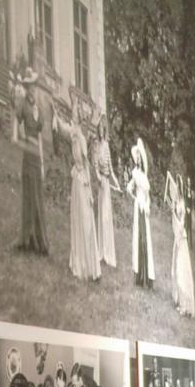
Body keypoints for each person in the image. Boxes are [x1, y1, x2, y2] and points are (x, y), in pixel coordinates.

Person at [66, 104, 101, 281]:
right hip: (77, 180)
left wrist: (90, 192)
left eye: (74, 115)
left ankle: (89, 266)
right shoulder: (74, 133)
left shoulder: (79, 136)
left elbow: (86, 163)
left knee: (86, 220)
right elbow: (64, 128)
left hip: (82, 181)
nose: (72, 117)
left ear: (78, 119)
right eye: (72, 114)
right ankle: (79, 261)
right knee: (78, 219)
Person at [15, 69, 48, 255]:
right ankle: (26, 240)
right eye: (29, 86)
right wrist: (25, 139)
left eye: (34, 85)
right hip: (28, 154)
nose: (32, 89)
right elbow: (17, 128)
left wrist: (42, 163)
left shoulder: (38, 109)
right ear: (26, 88)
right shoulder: (23, 106)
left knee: (38, 198)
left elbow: (41, 138)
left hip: (36, 157)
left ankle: (39, 241)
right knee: (29, 196)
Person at [167, 172, 195, 316]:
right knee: (176, 267)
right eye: (177, 186)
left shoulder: (183, 203)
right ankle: (179, 300)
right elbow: (174, 215)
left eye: (179, 186)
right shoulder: (177, 201)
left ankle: (185, 305)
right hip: (177, 236)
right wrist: (172, 208)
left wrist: (179, 233)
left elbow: (182, 220)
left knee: (181, 268)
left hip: (181, 236)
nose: (178, 189)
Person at [92, 115, 118, 269]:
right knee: (102, 216)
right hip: (101, 183)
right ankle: (101, 252)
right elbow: (95, 165)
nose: (101, 131)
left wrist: (116, 182)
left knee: (107, 217)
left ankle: (108, 253)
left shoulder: (107, 145)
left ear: (105, 130)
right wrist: (98, 178)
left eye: (103, 128)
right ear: (98, 130)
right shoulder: (96, 145)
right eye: (99, 128)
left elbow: (111, 168)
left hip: (107, 183)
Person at [128, 138, 155, 289]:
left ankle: (147, 277)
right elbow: (131, 187)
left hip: (144, 208)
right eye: (136, 156)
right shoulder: (135, 172)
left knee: (145, 240)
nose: (137, 158)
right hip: (137, 206)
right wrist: (131, 191)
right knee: (138, 239)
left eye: (139, 156)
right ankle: (139, 276)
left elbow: (147, 194)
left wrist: (148, 205)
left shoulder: (144, 175)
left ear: (142, 158)